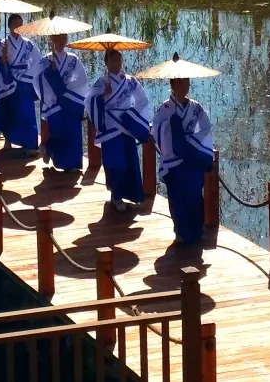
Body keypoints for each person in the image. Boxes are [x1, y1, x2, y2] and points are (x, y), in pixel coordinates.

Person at [151, 74, 214, 246]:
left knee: (194, 195)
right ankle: (180, 231)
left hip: (192, 158)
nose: (184, 85)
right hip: (173, 161)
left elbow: (206, 128)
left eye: (186, 82)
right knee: (177, 197)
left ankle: (197, 230)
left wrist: (189, 142)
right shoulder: (165, 108)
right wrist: (171, 127)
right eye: (179, 82)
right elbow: (156, 131)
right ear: (172, 84)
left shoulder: (196, 108)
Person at [85, 48, 151, 211]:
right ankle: (116, 196)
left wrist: (133, 117)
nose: (118, 63)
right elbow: (89, 101)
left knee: (129, 162)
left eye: (119, 60)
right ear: (106, 63)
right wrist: (102, 96)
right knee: (116, 163)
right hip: (110, 129)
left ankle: (132, 195)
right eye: (114, 60)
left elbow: (142, 100)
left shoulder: (130, 81)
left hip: (127, 127)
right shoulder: (101, 83)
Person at [34, 34, 89, 173]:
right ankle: (53, 153)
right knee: (58, 132)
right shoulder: (46, 60)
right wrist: (50, 74)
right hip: (54, 103)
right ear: (52, 39)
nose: (61, 42)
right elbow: (37, 80)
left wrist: (67, 90)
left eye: (64, 38)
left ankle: (74, 164)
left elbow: (82, 80)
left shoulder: (73, 59)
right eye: (58, 39)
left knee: (73, 131)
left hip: (70, 101)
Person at [0, 15, 39, 155]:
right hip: (8, 81)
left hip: (25, 83)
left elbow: (38, 61)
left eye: (21, 24)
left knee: (27, 113)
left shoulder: (29, 44)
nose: (18, 27)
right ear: (9, 26)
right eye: (15, 24)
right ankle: (8, 139)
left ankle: (30, 144)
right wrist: (2, 59)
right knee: (9, 113)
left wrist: (29, 76)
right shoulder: (2, 44)